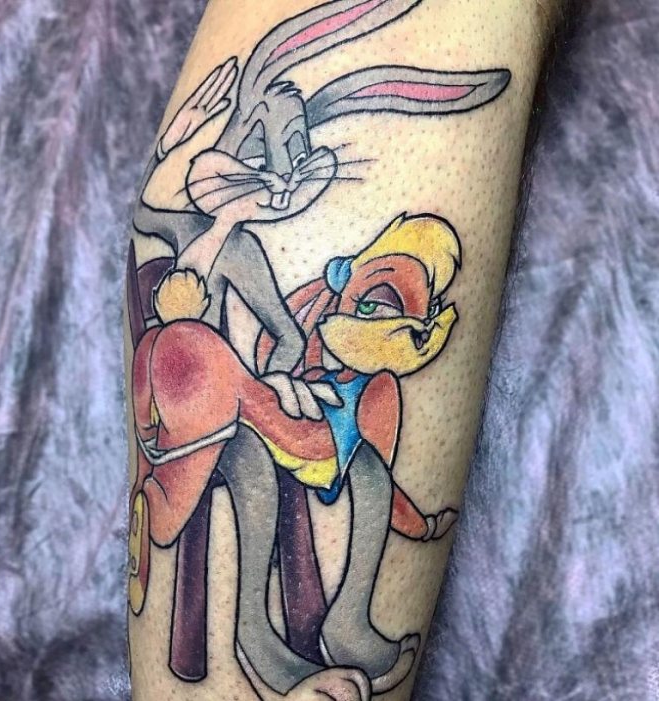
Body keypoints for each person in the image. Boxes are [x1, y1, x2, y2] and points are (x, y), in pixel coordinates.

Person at [124, 1, 567, 699]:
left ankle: (348, 621)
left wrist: (289, 375)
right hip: (195, 409)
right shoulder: (213, 233)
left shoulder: (255, 258)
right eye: (269, 152)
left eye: (297, 152)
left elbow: (287, 334)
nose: (286, 175)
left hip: (260, 402)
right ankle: (259, 646)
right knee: (254, 471)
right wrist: (187, 154)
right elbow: (158, 225)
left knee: (365, 472)